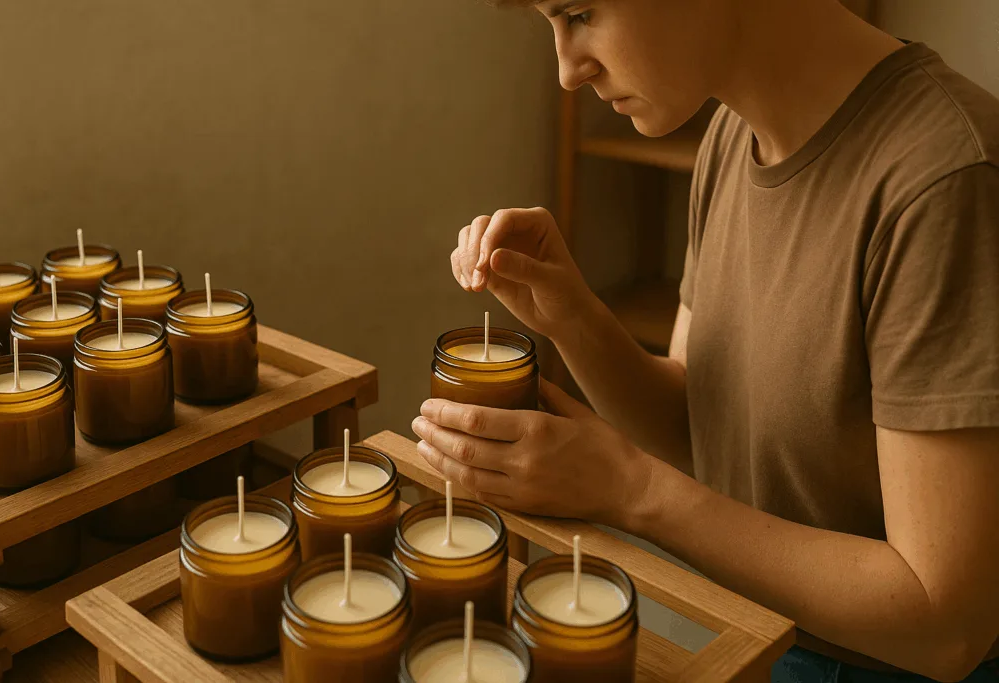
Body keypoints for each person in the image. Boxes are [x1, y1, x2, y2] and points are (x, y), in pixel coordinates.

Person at [409, 0, 999, 681]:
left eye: (580, 13)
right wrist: (573, 316)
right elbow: (698, 426)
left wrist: (630, 490)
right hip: (750, 633)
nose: (568, 70)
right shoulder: (731, 135)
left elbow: (945, 623)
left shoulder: (945, 181)